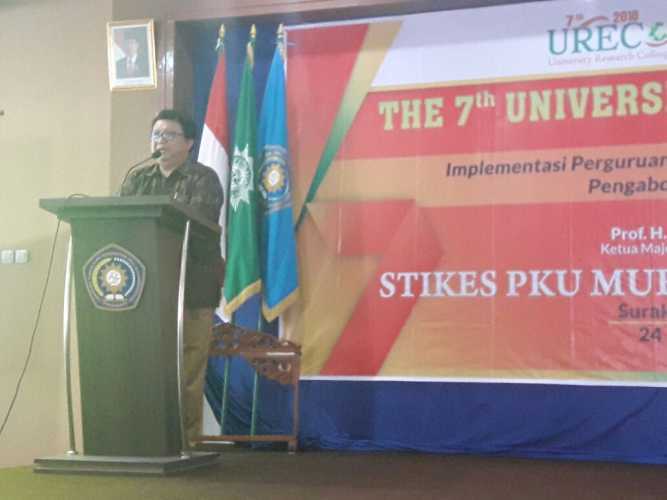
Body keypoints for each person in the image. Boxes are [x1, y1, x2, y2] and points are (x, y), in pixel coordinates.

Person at [121, 109, 224, 449]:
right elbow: (123, 225)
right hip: (146, 290)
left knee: (187, 369)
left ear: (189, 142)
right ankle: (146, 438)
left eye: (169, 135)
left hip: (192, 285)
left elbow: (199, 228)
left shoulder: (203, 179)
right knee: (147, 364)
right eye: (156, 135)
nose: (160, 141)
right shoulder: (137, 179)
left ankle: (186, 442)